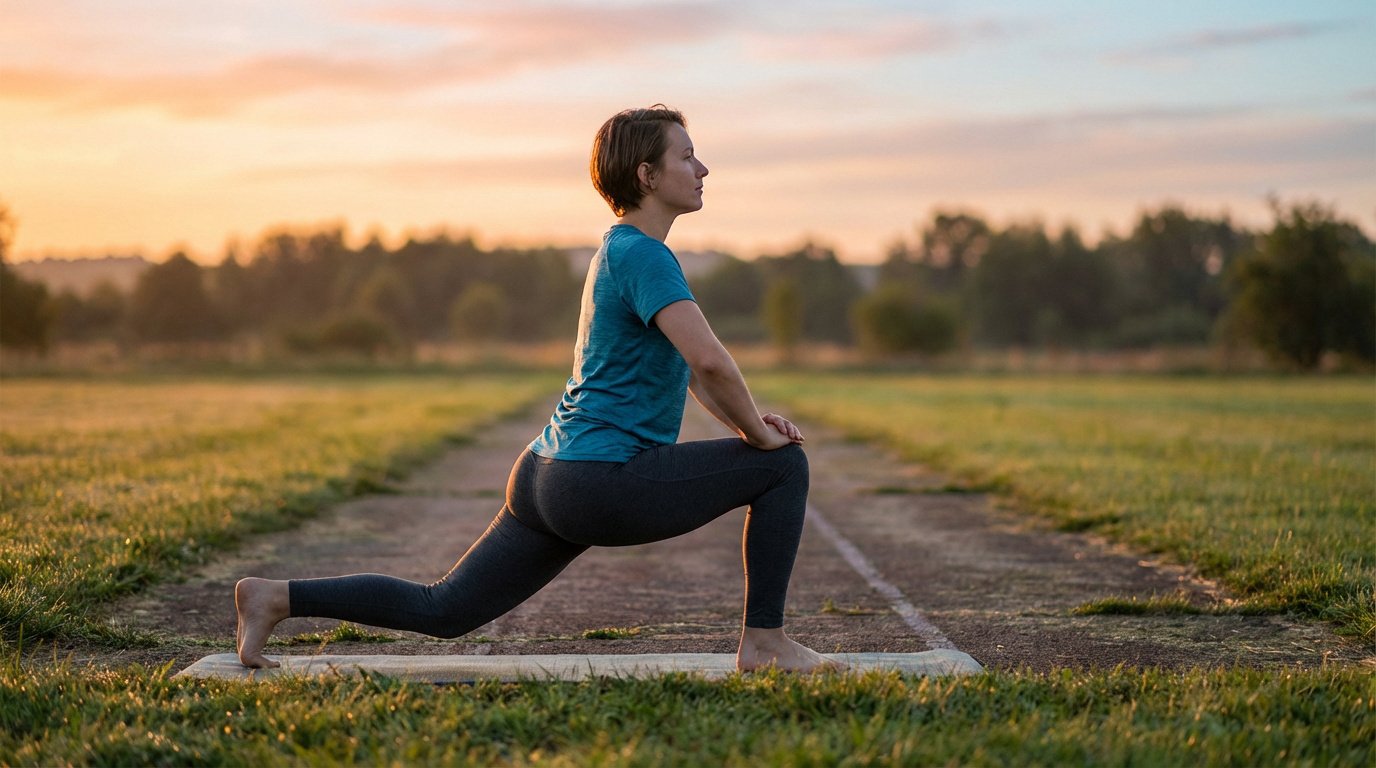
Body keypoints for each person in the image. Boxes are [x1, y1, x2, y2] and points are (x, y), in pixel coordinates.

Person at [235, 105, 836, 673]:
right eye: (687, 156)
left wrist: (746, 427)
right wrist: (759, 435)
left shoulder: (618, 250)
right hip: (598, 480)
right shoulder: (647, 258)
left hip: (545, 474)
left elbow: (692, 372)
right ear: (647, 174)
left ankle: (275, 597)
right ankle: (765, 643)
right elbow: (710, 363)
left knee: (445, 609)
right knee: (783, 468)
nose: (703, 169)